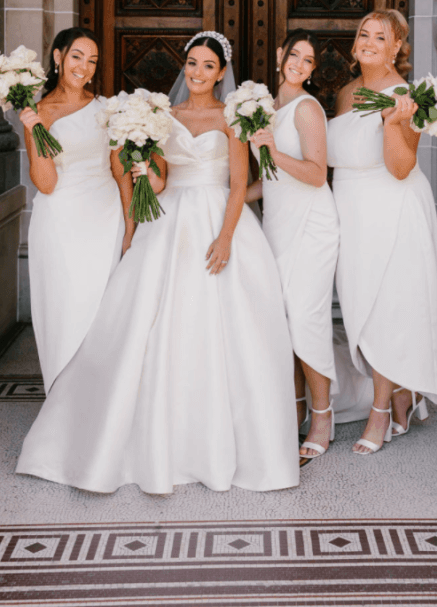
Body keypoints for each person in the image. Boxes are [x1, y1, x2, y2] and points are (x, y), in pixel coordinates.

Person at [16, 32, 299, 495]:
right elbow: (162, 182)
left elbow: (238, 184)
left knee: (227, 328)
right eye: (192, 63)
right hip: (170, 220)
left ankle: (225, 444)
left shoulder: (233, 116)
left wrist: (226, 237)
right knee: (150, 322)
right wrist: (145, 169)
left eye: (208, 66)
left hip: (218, 220)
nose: (198, 72)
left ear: (221, 74)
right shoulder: (163, 115)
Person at [327, 10, 437, 455]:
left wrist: (394, 123)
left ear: (397, 47)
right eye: (364, 33)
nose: (369, 41)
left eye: (381, 36)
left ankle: (380, 410)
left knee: (387, 309)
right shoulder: (345, 93)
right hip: (350, 209)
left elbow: (400, 168)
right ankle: (400, 393)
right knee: (359, 305)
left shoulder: (406, 96)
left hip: (392, 206)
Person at [247, 31, 339, 464]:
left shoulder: (306, 108)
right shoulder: (265, 109)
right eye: (294, 55)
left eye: (308, 60)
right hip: (279, 224)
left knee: (306, 318)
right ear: (280, 55)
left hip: (312, 225)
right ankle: (295, 410)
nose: (299, 64)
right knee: (283, 321)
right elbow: (267, 181)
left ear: (313, 70)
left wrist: (270, 150)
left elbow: (317, 174)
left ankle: (323, 418)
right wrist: (226, 198)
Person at [19, 27, 126, 393]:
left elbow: (119, 170)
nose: (84, 66)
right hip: (60, 224)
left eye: (92, 60)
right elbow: (46, 183)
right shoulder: (38, 113)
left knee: (103, 314)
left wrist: (130, 228)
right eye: (77, 56)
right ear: (58, 57)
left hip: (105, 219)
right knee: (65, 311)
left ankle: (100, 402)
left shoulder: (106, 109)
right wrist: (34, 131)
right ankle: (63, 400)